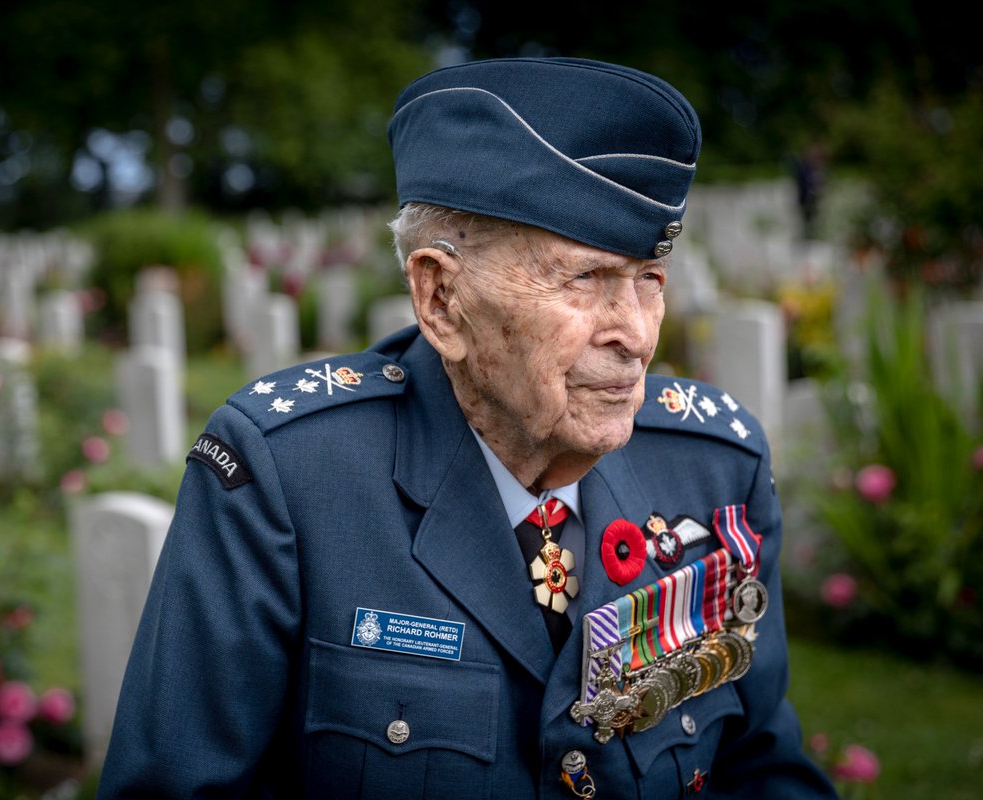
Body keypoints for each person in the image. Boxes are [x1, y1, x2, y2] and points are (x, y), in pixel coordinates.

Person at [98, 57, 837, 799]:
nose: (636, 334)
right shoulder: (288, 480)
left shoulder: (712, 468)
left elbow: (761, 768)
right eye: (584, 278)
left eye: (649, 279)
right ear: (442, 298)